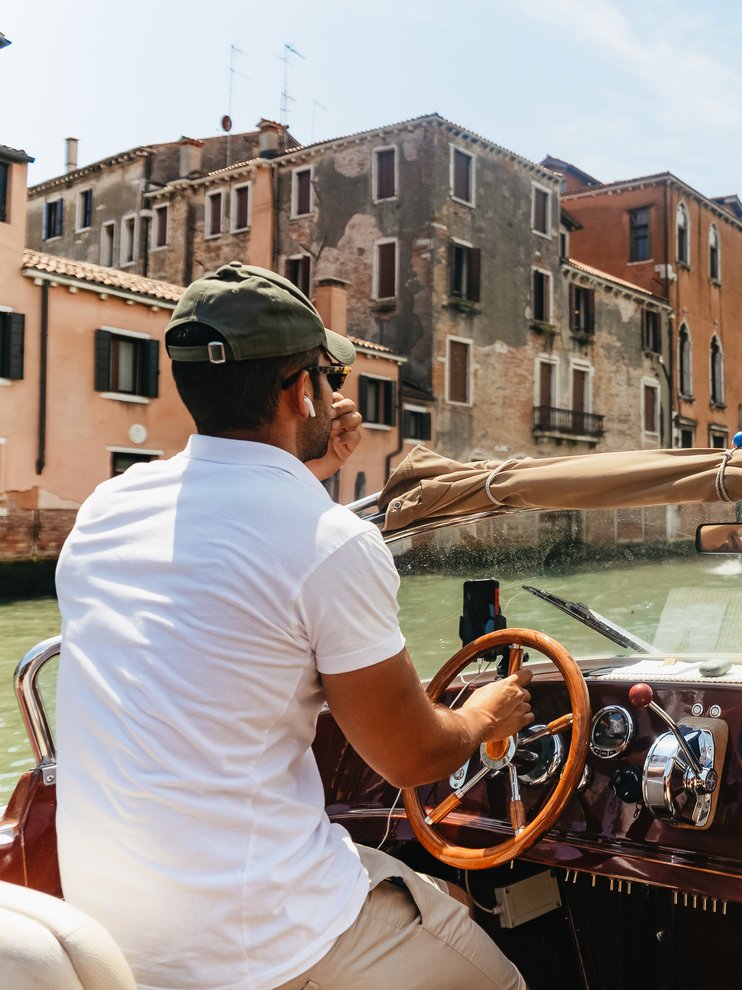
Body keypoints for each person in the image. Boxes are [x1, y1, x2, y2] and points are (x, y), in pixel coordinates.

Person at [54, 262, 530, 990]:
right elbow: (411, 757)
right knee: (505, 978)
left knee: (444, 901)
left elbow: (234, 556)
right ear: (303, 389)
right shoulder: (327, 541)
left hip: (117, 929)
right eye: (327, 375)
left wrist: (302, 472)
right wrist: (482, 714)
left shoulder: (105, 510)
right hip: (254, 942)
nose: (335, 392)